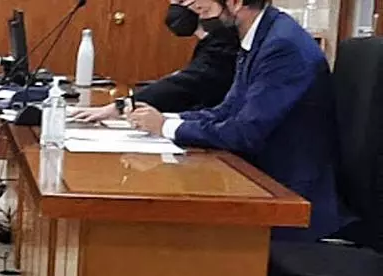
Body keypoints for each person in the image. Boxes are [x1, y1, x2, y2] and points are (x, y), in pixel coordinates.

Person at [129, 0, 346, 241]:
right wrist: (168, 119)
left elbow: (244, 132)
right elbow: (228, 110)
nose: (197, 9)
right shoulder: (262, 34)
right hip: (261, 179)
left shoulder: (283, 47)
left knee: (169, 228)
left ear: (236, 2)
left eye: (204, 5)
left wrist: (166, 127)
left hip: (288, 198)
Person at [72, 0, 239, 122]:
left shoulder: (228, 41)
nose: (179, 10)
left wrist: (122, 106)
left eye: (200, 9)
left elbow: (192, 83)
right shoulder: (215, 38)